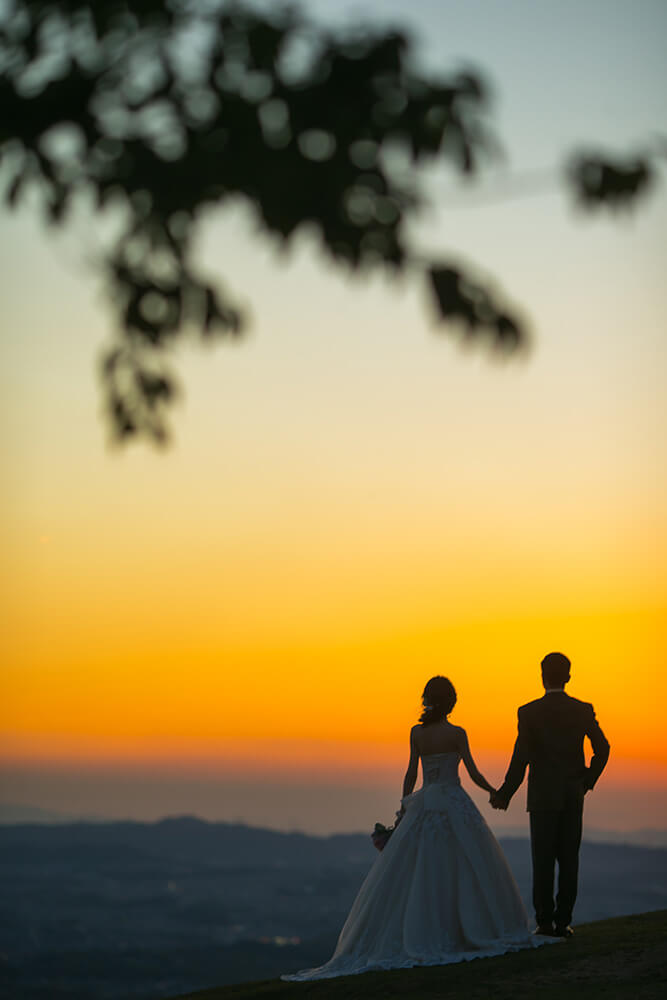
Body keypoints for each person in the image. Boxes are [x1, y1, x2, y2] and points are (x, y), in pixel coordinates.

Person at [282, 676, 548, 981]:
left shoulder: (417, 733)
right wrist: (493, 792)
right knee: (464, 867)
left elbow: (411, 773)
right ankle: (462, 928)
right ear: (451, 702)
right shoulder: (457, 733)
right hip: (453, 801)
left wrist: (406, 804)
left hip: (425, 802)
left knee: (422, 869)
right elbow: (472, 772)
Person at [491, 652, 610, 938]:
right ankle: (563, 922)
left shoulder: (529, 712)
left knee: (542, 860)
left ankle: (544, 923)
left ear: (541, 675)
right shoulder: (582, 710)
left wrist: (505, 793)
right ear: (568, 676)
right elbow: (603, 748)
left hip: (542, 796)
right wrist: (587, 781)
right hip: (572, 795)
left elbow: (521, 758)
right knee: (569, 860)